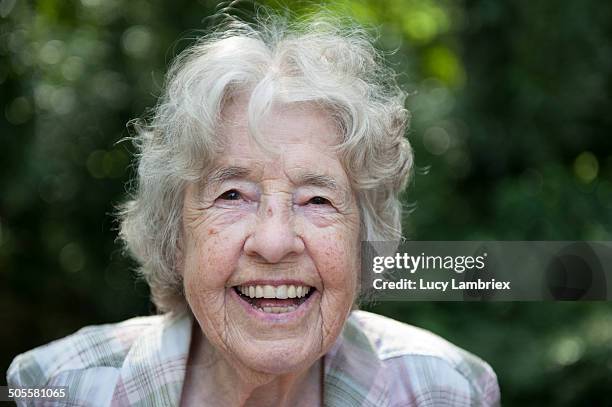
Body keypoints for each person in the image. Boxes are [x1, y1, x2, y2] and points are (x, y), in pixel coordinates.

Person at [7, 8, 500, 407]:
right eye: (233, 195)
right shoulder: (52, 388)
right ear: (176, 236)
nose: (274, 241)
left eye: (317, 200)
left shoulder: (446, 390)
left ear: (363, 243)